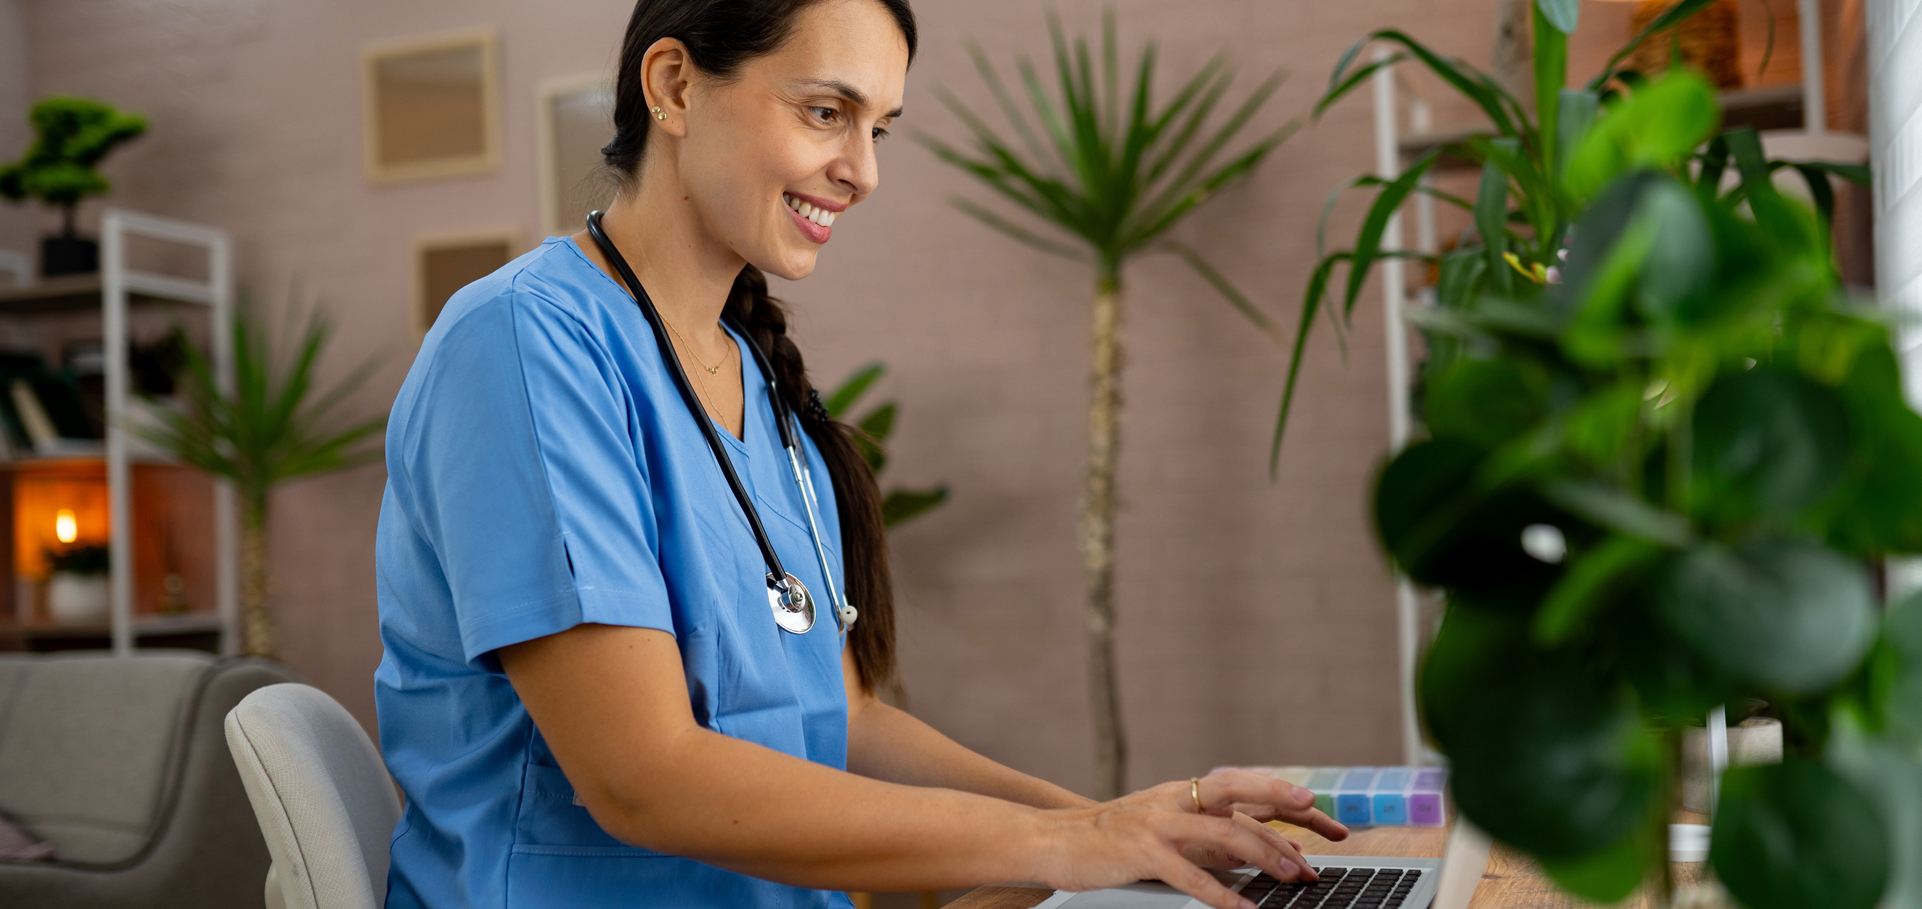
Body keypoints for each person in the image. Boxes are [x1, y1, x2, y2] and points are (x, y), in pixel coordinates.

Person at [373, 1, 1347, 907]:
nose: (861, 170)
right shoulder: (522, 343)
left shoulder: (756, 377)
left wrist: (1118, 828)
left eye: (876, 128)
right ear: (672, 86)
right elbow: (643, 779)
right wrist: (1069, 845)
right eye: (825, 112)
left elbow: (841, 722)